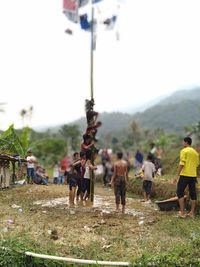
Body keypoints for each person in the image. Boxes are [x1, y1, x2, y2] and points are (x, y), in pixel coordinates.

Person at [174, 136, 200, 218]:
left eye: (183, 142)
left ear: (186, 142)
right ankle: (191, 213)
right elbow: (196, 165)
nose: (182, 143)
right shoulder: (196, 153)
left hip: (185, 175)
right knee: (193, 194)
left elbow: (182, 164)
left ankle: (182, 212)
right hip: (193, 176)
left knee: (179, 192)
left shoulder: (184, 151)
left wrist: (176, 176)